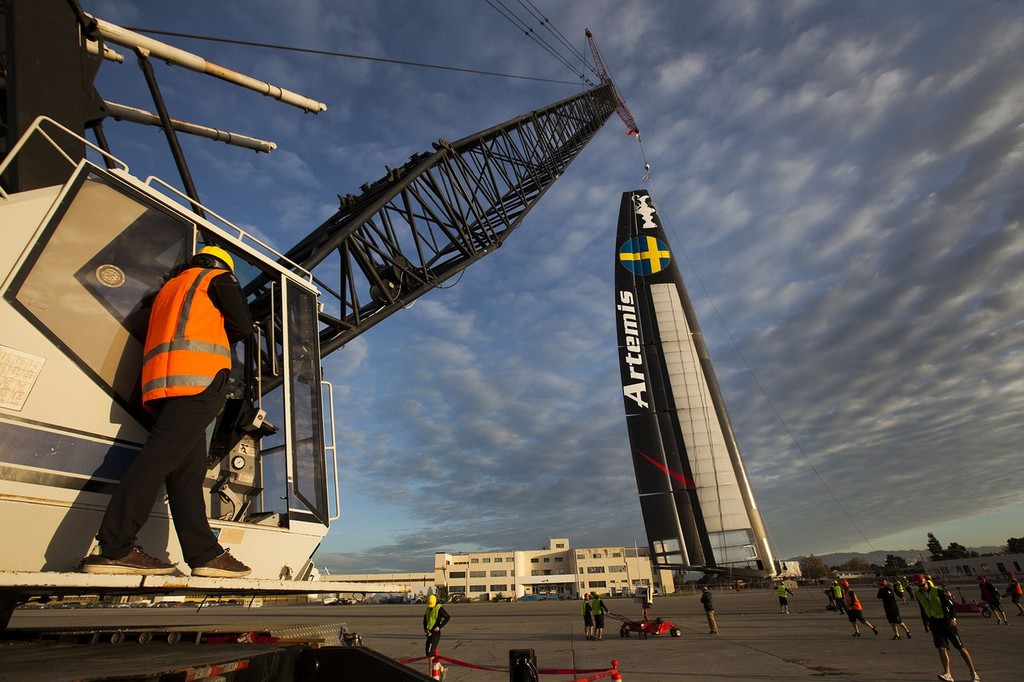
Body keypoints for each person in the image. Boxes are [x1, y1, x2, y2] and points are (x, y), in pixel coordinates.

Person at [81, 246, 252, 578]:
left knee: (185, 475)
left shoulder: (167, 291)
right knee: (156, 460)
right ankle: (115, 547)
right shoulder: (218, 280)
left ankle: (204, 554)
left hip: (161, 386)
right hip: (200, 383)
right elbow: (242, 327)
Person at [913, 574, 980, 682]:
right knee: (941, 647)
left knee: (959, 647)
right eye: (919, 585)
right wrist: (925, 624)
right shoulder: (918, 594)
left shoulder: (938, 591)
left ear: (925, 581)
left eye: (923, 584)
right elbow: (922, 609)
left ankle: (973, 672)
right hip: (934, 623)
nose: (922, 586)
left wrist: (953, 618)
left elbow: (951, 605)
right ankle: (947, 673)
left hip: (946, 621)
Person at [423, 593, 451, 657]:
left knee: (430, 653)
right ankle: (440, 667)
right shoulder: (428, 609)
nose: (431, 606)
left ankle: (430, 667)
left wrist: (439, 627)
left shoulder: (439, 608)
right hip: (429, 633)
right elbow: (425, 620)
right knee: (429, 652)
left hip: (435, 633)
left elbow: (447, 617)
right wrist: (426, 630)